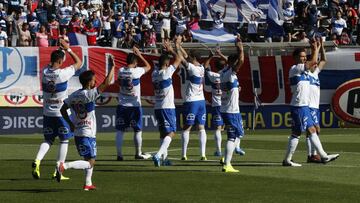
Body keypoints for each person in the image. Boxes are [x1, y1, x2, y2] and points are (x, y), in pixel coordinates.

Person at [57, 55, 115, 191]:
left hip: (79, 131)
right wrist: (112, 67)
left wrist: (70, 123)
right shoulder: (89, 95)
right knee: (90, 162)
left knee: (89, 160)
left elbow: (62, 109)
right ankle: (64, 166)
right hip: (86, 132)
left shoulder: (74, 95)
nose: (96, 82)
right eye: (94, 80)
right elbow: (106, 83)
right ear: (89, 82)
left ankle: (87, 183)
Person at [283, 39, 339, 167]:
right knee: (312, 129)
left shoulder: (306, 72)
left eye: (304, 57)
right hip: (299, 105)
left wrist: (318, 48)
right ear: (295, 58)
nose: (303, 59)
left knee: (297, 133)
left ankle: (287, 160)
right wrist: (315, 49)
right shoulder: (295, 68)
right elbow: (313, 62)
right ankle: (323, 156)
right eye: (301, 57)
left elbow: (317, 63)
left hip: (302, 105)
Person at [32, 39, 82, 180]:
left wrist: (59, 53)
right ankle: (58, 170)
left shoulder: (44, 71)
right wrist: (68, 49)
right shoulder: (63, 73)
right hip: (61, 113)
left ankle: (37, 160)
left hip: (47, 112)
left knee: (48, 140)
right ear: (60, 61)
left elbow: (50, 65)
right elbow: (79, 63)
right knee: (64, 141)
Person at [115, 47, 152, 161]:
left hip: (122, 104)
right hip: (135, 106)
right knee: (137, 130)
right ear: (135, 63)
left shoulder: (120, 70)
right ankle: (138, 153)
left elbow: (118, 81)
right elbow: (149, 67)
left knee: (120, 130)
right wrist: (140, 55)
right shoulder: (137, 71)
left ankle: (119, 155)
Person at [151, 37, 183, 167]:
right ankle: (158, 155)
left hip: (158, 106)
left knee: (163, 133)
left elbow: (162, 61)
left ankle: (164, 159)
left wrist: (165, 52)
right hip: (167, 107)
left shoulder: (154, 73)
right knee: (171, 132)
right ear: (166, 64)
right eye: (168, 62)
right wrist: (171, 49)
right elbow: (179, 59)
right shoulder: (166, 72)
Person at [178, 37, 208, 161]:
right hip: (201, 101)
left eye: (190, 56)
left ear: (193, 58)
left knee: (187, 127)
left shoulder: (192, 68)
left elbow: (181, 58)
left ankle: (184, 154)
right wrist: (179, 45)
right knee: (201, 128)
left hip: (191, 101)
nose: (188, 57)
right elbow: (185, 56)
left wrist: (175, 46)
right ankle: (203, 154)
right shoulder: (201, 67)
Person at [220, 35, 245, 173]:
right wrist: (241, 49)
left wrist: (236, 88)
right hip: (231, 110)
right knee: (232, 137)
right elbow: (241, 60)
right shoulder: (230, 72)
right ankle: (227, 163)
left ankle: (226, 160)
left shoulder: (224, 72)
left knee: (237, 134)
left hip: (226, 109)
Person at [306, 39, 326, 163]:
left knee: (314, 131)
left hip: (315, 106)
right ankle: (311, 155)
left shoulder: (316, 73)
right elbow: (316, 60)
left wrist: (322, 46)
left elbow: (323, 60)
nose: (316, 64)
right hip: (309, 106)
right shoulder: (306, 73)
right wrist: (315, 48)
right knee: (315, 129)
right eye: (313, 63)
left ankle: (312, 155)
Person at [203, 48, 226, 157]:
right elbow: (230, 63)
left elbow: (205, 66)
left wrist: (211, 56)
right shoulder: (228, 74)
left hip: (217, 105)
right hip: (227, 104)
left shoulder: (214, 76)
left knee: (217, 128)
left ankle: (219, 150)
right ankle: (236, 147)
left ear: (215, 67)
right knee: (230, 127)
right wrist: (220, 54)